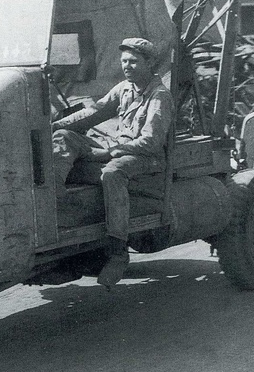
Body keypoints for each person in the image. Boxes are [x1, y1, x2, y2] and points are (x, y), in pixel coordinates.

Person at [51, 37, 174, 288]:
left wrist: (110, 153)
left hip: (145, 158)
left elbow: (150, 142)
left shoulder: (159, 96)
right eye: (124, 61)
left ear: (149, 63)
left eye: (133, 61)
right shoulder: (124, 88)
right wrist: (53, 125)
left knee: (112, 173)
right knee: (64, 138)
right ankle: (53, 201)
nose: (126, 66)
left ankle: (118, 250)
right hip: (119, 147)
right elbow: (93, 112)